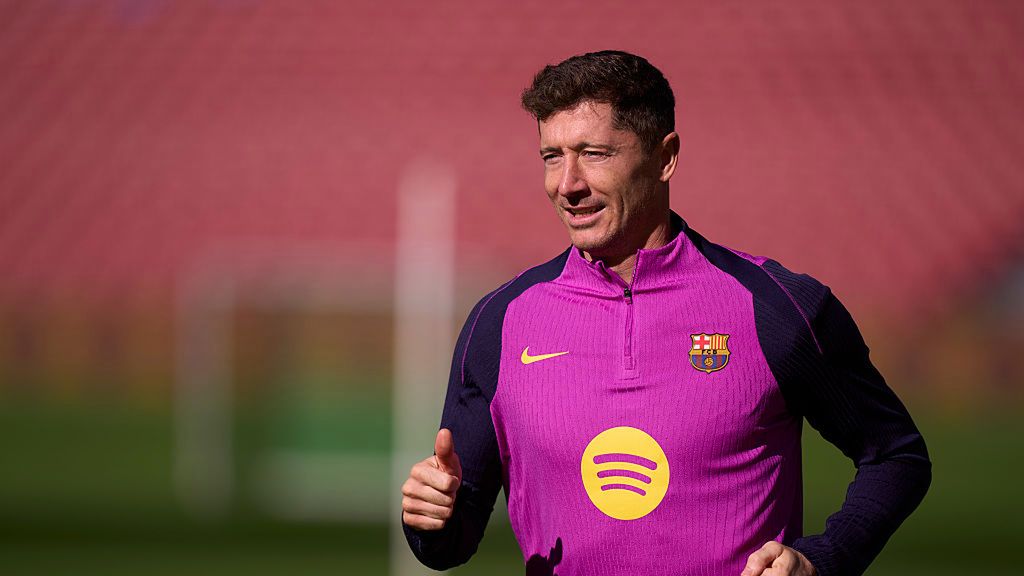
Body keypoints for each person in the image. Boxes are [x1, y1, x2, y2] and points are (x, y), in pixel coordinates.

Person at [400, 50, 930, 576]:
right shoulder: (499, 323)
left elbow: (896, 456)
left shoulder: (775, 308)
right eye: (551, 157)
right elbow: (450, 538)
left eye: (593, 154)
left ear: (665, 157)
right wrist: (431, 518)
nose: (567, 184)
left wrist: (821, 560)